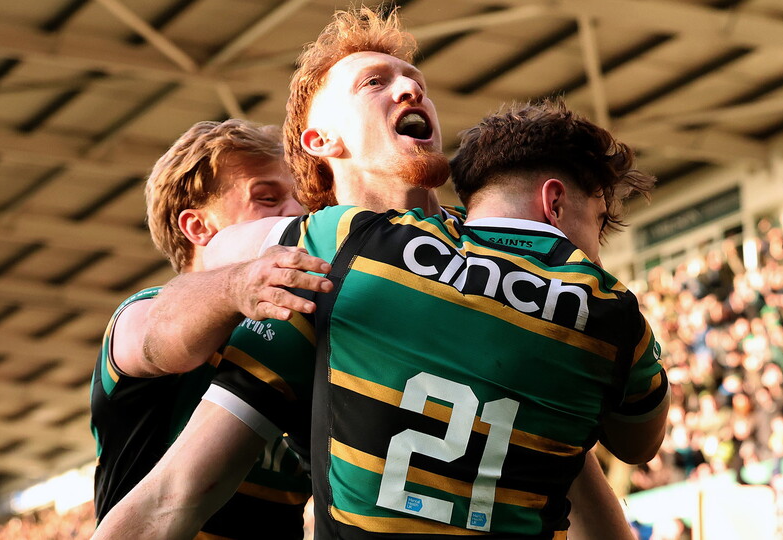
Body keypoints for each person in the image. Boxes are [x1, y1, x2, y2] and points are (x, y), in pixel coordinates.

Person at [94, 8, 655, 539]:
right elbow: (173, 493)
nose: (412, 90)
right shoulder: (310, 275)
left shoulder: (496, 255)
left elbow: (568, 449)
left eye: (416, 81)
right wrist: (238, 283)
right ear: (321, 141)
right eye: (373, 83)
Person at [89, 119, 332, 539]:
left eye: (299, 200)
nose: (295, 213)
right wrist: (239, 284)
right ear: (198, 227)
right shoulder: (138, 316)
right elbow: (161, 336)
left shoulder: (302, 332)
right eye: (267, 198)